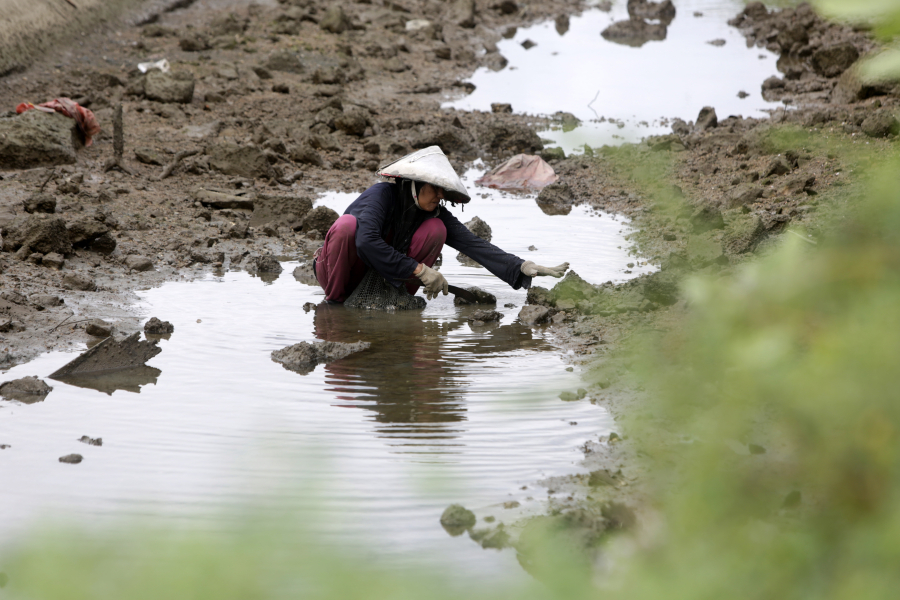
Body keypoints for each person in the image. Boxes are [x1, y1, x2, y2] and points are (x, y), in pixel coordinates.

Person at [313, 146, 569, 303]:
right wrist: (420, 271)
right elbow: (365, 241)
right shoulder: (381, 196)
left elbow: (472, 244)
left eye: (443, 191)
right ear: (415, 183)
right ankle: (334, 305)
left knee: (437, 229)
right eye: (435, 189)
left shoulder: (432, 210)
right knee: (347, 225)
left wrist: (522, 266)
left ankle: (395, 298)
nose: (440, 196)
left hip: (381, 278)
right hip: (340, 273)